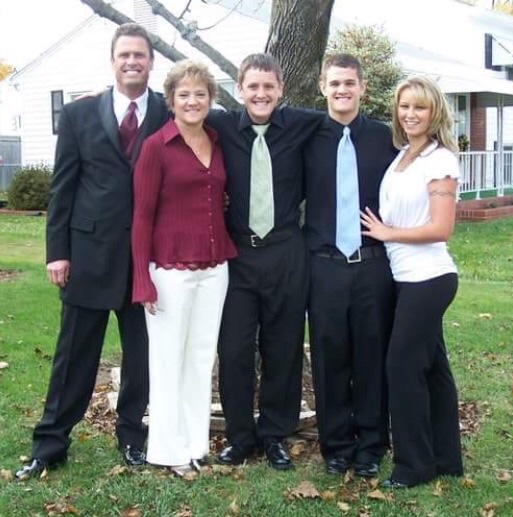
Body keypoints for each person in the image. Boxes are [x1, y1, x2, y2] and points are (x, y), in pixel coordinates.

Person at [15, 23, 169, 480]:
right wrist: (57, 252)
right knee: (74, 357)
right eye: (124, 55)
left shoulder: (168, 111)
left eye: (139, 55)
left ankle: (132, 438)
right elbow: (62, 187)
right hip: (88, 255)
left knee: (141, 357)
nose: (132, 61)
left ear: (151, 62)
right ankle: (50, 445)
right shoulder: (80, 114)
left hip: (146, 261)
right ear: (113, 61)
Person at [207, 54, 323, 470]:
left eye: (268, 86)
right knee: (234, 350)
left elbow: (345, 117)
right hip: (238, 255)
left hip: (286, 252)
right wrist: (100, 97)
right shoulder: (221, 125)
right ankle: (240, 437)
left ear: (281, 89)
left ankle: (275, 434)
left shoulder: (302, 124)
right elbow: (175, 106)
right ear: (239, 90)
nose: (261, 94)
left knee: (283, 348)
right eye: (253, 86)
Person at [131, 60, 236, 478]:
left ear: (210, 99)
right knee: (168, 359)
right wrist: (142, 279)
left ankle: (194, 444)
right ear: (171, 100)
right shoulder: (156, 146)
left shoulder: (215, 139)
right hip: (169, 270)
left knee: (201, 357)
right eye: (184, 94)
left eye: (200, 94)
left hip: (215, 266)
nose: (193, 101)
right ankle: (167, 449)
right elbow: (142, 217)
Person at [360, 74, 464, 488]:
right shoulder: (404, 154)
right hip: (405, 277)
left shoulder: (440, 160)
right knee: (433, 367)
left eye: (419, 107)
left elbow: (441, 228)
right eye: (404, 106)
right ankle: (446, 458)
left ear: (434, 111)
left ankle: (414, 466)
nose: (410, 114)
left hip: (429, 278)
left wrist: (389, 233)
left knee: (402, 365)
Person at [303, 53, 397, 476]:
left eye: (349, 83)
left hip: (372, 263)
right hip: (323, 265)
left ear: (362, 88)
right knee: (329, 356)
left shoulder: (385, 137)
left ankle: (372, 445)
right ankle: (337, 446)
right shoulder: (306, 136)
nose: (342, 90)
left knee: (372, 354)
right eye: (335, 83)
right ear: (323, 87)